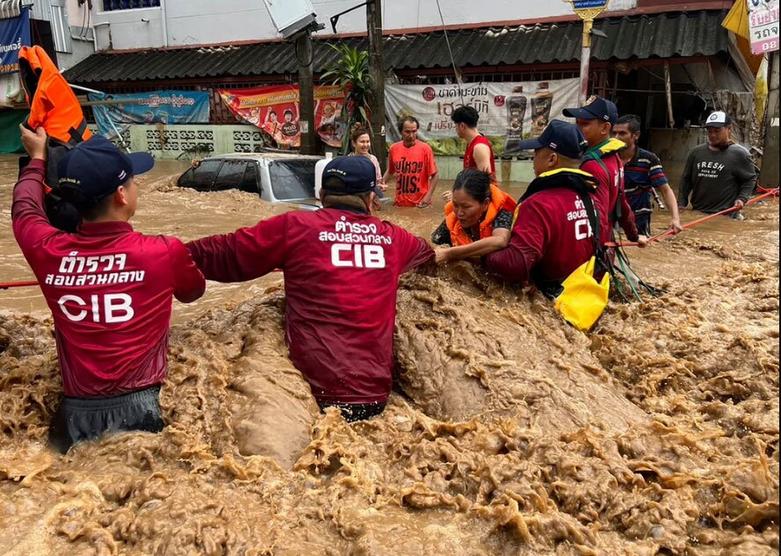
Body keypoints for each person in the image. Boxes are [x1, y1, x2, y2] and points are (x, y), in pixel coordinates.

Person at [186, 156, 434, 422]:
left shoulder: (294, 227)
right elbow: (431, 255)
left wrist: (162, 255)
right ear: (371, 198)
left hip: (307, 396)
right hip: (375, 396)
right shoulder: (394, 238)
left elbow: (222, 255)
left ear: (320, 194)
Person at [12, 128, 205, 453]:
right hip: (143, 410)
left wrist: (38, 159)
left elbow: (25, 208)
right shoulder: (162, 252)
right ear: (121, 195)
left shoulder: (48, 251)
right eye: (132, 180)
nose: (136, 185)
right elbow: (193, 292)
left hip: (73, 416)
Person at [484, 120, 599, 292]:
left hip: (552, 296)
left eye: (537, 152)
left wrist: (479, 252)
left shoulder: (537, 204)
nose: (533, 158)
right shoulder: (591, 197)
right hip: (586, 291)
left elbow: (516, 265)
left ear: (552, 159)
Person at [563, 96, 643, 245]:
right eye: (577, 123)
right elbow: (622, 202)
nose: (578, 129)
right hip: (606, 243)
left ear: (605, 128)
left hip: (593, 249)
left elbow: (595, 216)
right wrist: (634, 236)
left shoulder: (591, 166)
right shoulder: (614, 157)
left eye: (585, 124)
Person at [613, 114, 682, 236]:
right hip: (613, 218)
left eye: (622, 133)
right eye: (614, 133)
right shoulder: (608, 158)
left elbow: (665, 190)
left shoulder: (648, 160)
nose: (617, 138)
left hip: (638, 220)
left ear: (636, 136)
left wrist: (675, 219)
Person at [678, 111, 757, 218]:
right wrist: (681, 204)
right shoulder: (696, 153)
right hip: (698, 212)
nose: (713, 135)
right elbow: (686, 180)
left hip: (726, 214)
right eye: (709, 131)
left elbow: (750, 179)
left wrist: (742, 198)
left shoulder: (740, 154)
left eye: (717, 131)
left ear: (729, 129)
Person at [431, 168, 515, 263]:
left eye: (466, 207)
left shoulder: (503, 213)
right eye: (455, 205)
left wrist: (449, 253)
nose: (459, 213)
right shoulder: (452, 221)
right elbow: (434, 246)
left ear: (485, 204)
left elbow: (500, 241)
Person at [383, 116, 439, 208]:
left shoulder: (425, 149)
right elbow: (390, 171)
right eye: (407, 132)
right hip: (400, 203)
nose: (411, 135)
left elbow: (435, 175)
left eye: (414, 131)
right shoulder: (394, 149)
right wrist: (382, 183)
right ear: (401, 132)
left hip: (421, 203)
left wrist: (428, 197)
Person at [451, 105, 496, 177]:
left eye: (456, 125)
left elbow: (485, 182)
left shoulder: (479, 147)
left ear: (462, 126)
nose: (455, 129)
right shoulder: (471, 143)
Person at [349, 124, 389, 204]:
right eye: (362, 142)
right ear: (354, 143)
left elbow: (378, 180)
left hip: (372, 193)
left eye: (368, 142)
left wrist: (381, 186)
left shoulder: (373, 159)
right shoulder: (348, 160)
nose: (366, 145)